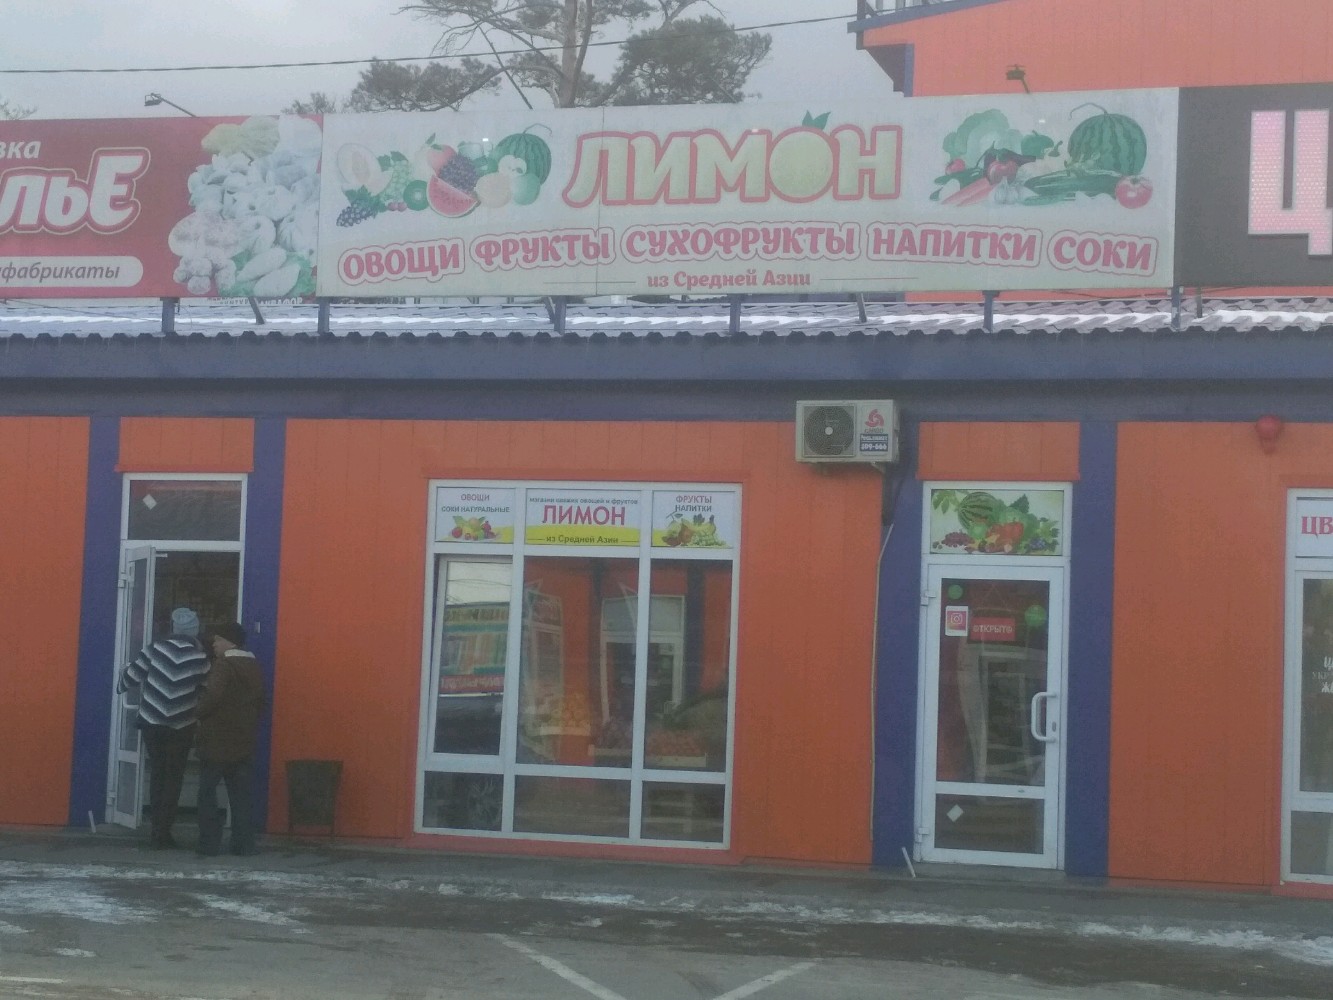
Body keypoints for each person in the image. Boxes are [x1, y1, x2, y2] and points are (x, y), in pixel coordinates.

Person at [117, 607, 210, 849]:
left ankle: (155, 831)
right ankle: (163, 831)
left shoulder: (155, 649)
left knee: (158, 774)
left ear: (173, 628)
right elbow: (206, 691)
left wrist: (121, 679)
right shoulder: (200, 658)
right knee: (173, 779)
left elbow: (130, 679)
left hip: (152, 722)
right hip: (182, 726)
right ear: (194, 631)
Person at [195, 621, 266, 857]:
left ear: (228, 641)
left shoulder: (224, 665)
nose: (213, 644)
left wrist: (198, 712)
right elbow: (261, 701)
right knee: (240, 796)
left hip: (217, 740)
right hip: (244, 739)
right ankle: (243, 844)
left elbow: (213, 695)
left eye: (217, 640)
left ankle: (209, 843)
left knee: (207, 792)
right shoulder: (253, 665)